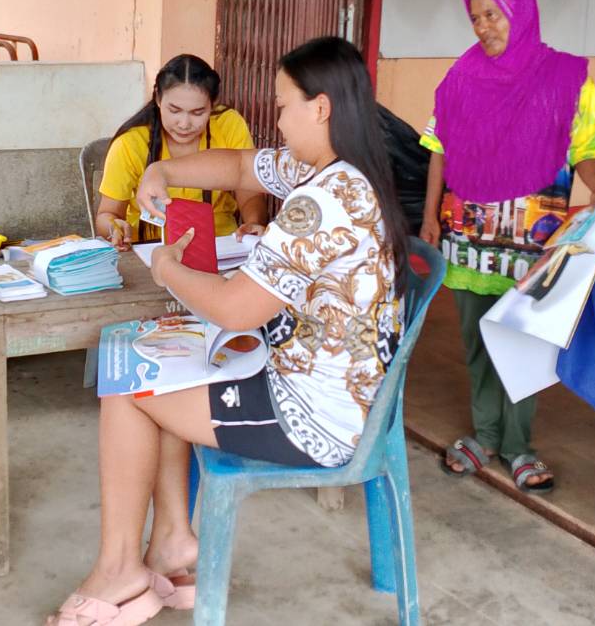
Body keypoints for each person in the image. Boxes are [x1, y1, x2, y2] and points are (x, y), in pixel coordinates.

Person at [46, 37, 407, 626]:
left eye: (284, 106)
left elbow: (237, 311)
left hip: (313, 414)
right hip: (323, 380)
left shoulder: (323, 203)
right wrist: (161, 168)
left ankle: (121, 569)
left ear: (319, 109)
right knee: (158, 361)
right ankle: (171, 543)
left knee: (126, 389)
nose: (278, 120)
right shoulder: (338, 170)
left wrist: (167, 266)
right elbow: (242, 166)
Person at [418, 0, 595, 493]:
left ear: (519, 12)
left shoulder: (566, 78)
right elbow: (438, 149)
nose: (483, 27)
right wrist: (430, 217)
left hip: (534, 237)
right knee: (479, 337)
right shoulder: (461, 77)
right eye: (476, 18)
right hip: (468, 235)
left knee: (524, 340)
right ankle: (484, 435)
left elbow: (586, 147)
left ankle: (519, 446)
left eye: (493, 15)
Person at [95, 54, 266, 249]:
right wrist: (114, 228)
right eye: (174, 111)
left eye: (198, 112)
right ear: (158, 98)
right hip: (151, 249)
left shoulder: (229, 125)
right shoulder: (131, 143)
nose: (184, 124)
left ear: (213, 103)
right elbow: (107, 215)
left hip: (221, 246)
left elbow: (251, 196)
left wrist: (254, 222)